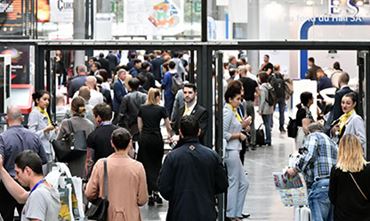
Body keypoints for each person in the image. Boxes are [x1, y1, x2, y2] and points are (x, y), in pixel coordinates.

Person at [158, 115, 228, 221]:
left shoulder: (172, 157)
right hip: (206, 211)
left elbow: (164, 187)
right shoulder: (211, 155)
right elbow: (222, 184)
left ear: (180, 132)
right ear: (199, 132)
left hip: (179, 212)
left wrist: (176, 196)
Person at [85, 128, 148, 221]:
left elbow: (89, 193)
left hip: (107, 215)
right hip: (131, 216)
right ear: (130, 143)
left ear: (112, 143)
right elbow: (142, 199)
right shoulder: (138, 167)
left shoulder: (101, 164)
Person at [0, 106, 48, 220]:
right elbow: (43, 160)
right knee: (28, 215)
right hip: (29, 184)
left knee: (7, 216)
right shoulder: (34, 136)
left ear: (7, 119)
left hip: (8, 186)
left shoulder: (2, 138)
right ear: (22, 118)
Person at [287, 122, 337, 221]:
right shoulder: (332, 142)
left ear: (309, 132)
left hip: (320, 185)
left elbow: (309, 155)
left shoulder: (313, 136)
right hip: (333, 185)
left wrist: (295, 169)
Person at [0, 150, 60, 221]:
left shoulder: (38, 195)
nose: (16, 177)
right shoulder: (48, 189)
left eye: (17, 172)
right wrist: (1, 169)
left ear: (27, 171)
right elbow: (21, 196)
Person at [137, 88, 172, 206]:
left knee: (145, 164)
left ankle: (149, 193)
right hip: (156, 138)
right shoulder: (161, 109)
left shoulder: (142, 109)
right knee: (156, 164)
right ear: (157, 97)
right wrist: (170, 136)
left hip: (145, 139)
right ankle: (156, 190)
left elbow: (140, 126)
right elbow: (168, 126)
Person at [223, 81, 251, 220]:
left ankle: (236, 212)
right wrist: (238, 135)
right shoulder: (228, 112)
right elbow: (223, 133)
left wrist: (243, 126)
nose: (240, 102)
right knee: (234, 182)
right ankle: (230, 213)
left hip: (235, 149)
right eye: (238, 99)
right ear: (230, 99)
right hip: (230, 150)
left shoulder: (234, 111)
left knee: (243, 183)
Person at [329, 134, 370, 221]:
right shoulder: (368, 168)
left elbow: (332, 197)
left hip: (343, 216)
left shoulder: (336, 170)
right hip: (365, 216)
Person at [57, 96, 94, 177]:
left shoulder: (66, 123)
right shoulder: (90, 125)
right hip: (84, 160)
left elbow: (58, 141)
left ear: (72, 108)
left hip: (70, 158)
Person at [86, 103, 119, 177]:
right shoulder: (121, 132)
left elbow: (89, 160)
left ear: (98, 117)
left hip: (101, 172)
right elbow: (131, 153)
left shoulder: (93, 136)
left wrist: (87, 177)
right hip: (119, 170)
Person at [28, 90, 56, 162]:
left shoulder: (45, 113)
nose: (47, 102)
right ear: (37, 100)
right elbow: (31, 135)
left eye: (48, 100)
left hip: (48, 149)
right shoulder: (34, 113)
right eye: (44, 99)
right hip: (40, 150)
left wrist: (54, 130)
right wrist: (45, 130)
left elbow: (49, 136)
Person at [117, 78, 147, 142]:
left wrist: (119, 122)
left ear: (129, 86)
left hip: (130, 123)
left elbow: (122, 112)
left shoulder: (126, 97)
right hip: (143, 121)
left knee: (130, 141)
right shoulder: (144, 96)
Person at [238, 66, 259, 149]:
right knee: (252, 122)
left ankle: (245, 142)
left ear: (240, 72)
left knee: (242, 122)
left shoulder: (239, 82)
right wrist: (254, 99)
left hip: (241, 103)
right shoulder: (252, 81)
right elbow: (258, 92)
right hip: (250, 103)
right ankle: (253, 142)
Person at [270, 64, 287, 133]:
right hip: (282, 96)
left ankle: (270, 125)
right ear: (279, 68)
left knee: (271, 112)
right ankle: (281, 127)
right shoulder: (281, 76)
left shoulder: (271, 76)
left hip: (274, 97)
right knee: (282, 112)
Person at [258, 71, 274, 146]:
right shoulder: (269, 85)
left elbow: (262, 100)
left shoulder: (262, 88)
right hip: (270, 107)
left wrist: (260, 110)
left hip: (265, 108)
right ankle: (269, 139)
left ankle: (268, 139)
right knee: (268, 123)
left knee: (266, 124)